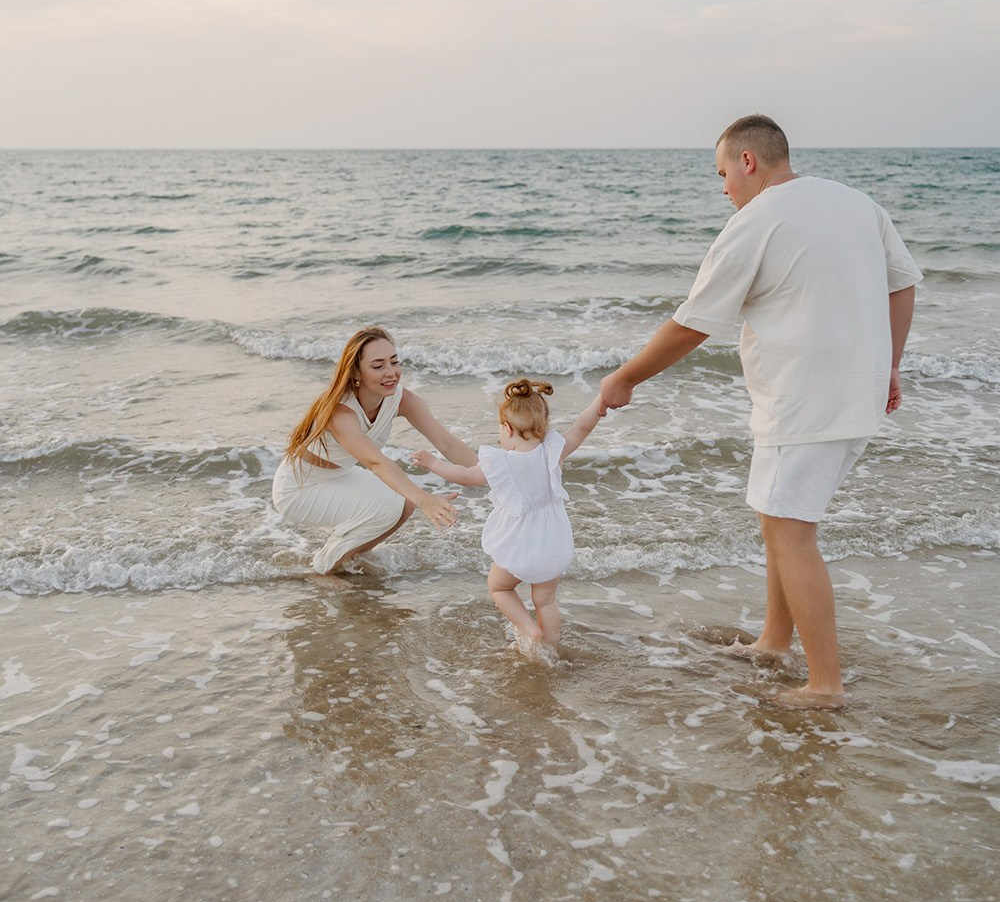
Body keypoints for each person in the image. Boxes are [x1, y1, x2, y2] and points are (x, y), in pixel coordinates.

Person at [600, 115, 922, 709]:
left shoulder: (755, 220)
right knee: (780, 517)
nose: (724, 189)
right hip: (853, 393)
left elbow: (692, 323)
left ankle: (825, 686)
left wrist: (625, 377)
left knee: (790, 533)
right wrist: (891, 366)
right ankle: (774, 641)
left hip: (804, 400)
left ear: (747, 161)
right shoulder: (857, 203)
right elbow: (902, 285)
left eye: (722, 174)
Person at [412, 379, 605, 661]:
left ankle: (529, 629)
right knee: (546, 600)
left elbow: (464, 476)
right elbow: (582, 427)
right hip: (553, 541)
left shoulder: (501, 463)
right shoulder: (553, 451)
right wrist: (601, 402)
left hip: (520, 543)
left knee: (499, 587)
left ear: (507, 429)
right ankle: (550, 650)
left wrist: (432, 463)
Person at [272, 325, 476, 575]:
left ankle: (352, 555)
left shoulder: (402, 399)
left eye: (394, 362)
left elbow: (446, 442)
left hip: (341, 475)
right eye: (378, 366)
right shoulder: (341, 411)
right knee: (392, 506)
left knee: (404, 502)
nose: (391, 372)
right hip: (300, 487)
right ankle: (325, 570)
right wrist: (424, 499)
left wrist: (491, 473)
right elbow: (375, 461)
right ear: (357, 372)